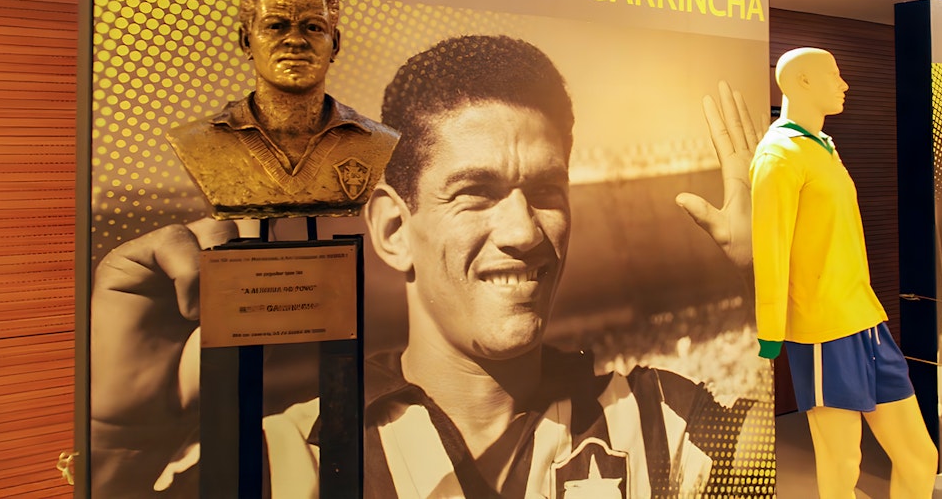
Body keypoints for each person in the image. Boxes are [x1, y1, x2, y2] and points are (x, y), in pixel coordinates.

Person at [93, 34, 763, 497]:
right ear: (392, 229)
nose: (524, 231)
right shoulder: (291, 457)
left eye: (548, 193)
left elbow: (780, 481)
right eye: (474, 194)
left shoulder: (657, 420)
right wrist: (117, 448)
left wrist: (782, 280)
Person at [750, 47, 937, 498]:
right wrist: (772, 330)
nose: (844, 84)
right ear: (801, 82)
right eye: (833, 75)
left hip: (866, 321)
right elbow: (770, 248)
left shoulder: (822, 148)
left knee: (919, 456)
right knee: (842, 464)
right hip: (822, 331)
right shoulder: (779, 157)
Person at [167, 0, 399, 219]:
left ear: (335, 44)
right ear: (246, 41)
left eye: (313, 27)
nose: (296, 40)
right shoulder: (196, 142)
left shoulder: (376, 142)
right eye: (276, 26)